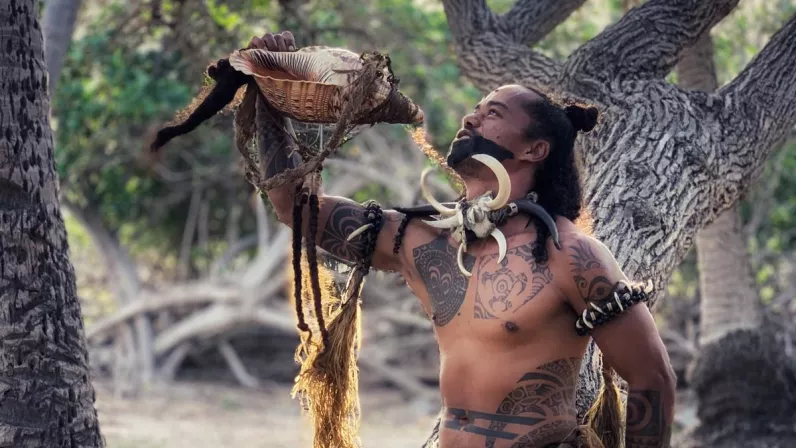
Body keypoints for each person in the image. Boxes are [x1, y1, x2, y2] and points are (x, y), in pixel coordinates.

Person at [253, 30, 676, 448]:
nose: (470, 118)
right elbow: (296, 206)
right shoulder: (418, 238)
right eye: (475, 109)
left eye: (493, 113)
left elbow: (652, 378)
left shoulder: (568, 255)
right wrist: (272, 96)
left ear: (535, 150)